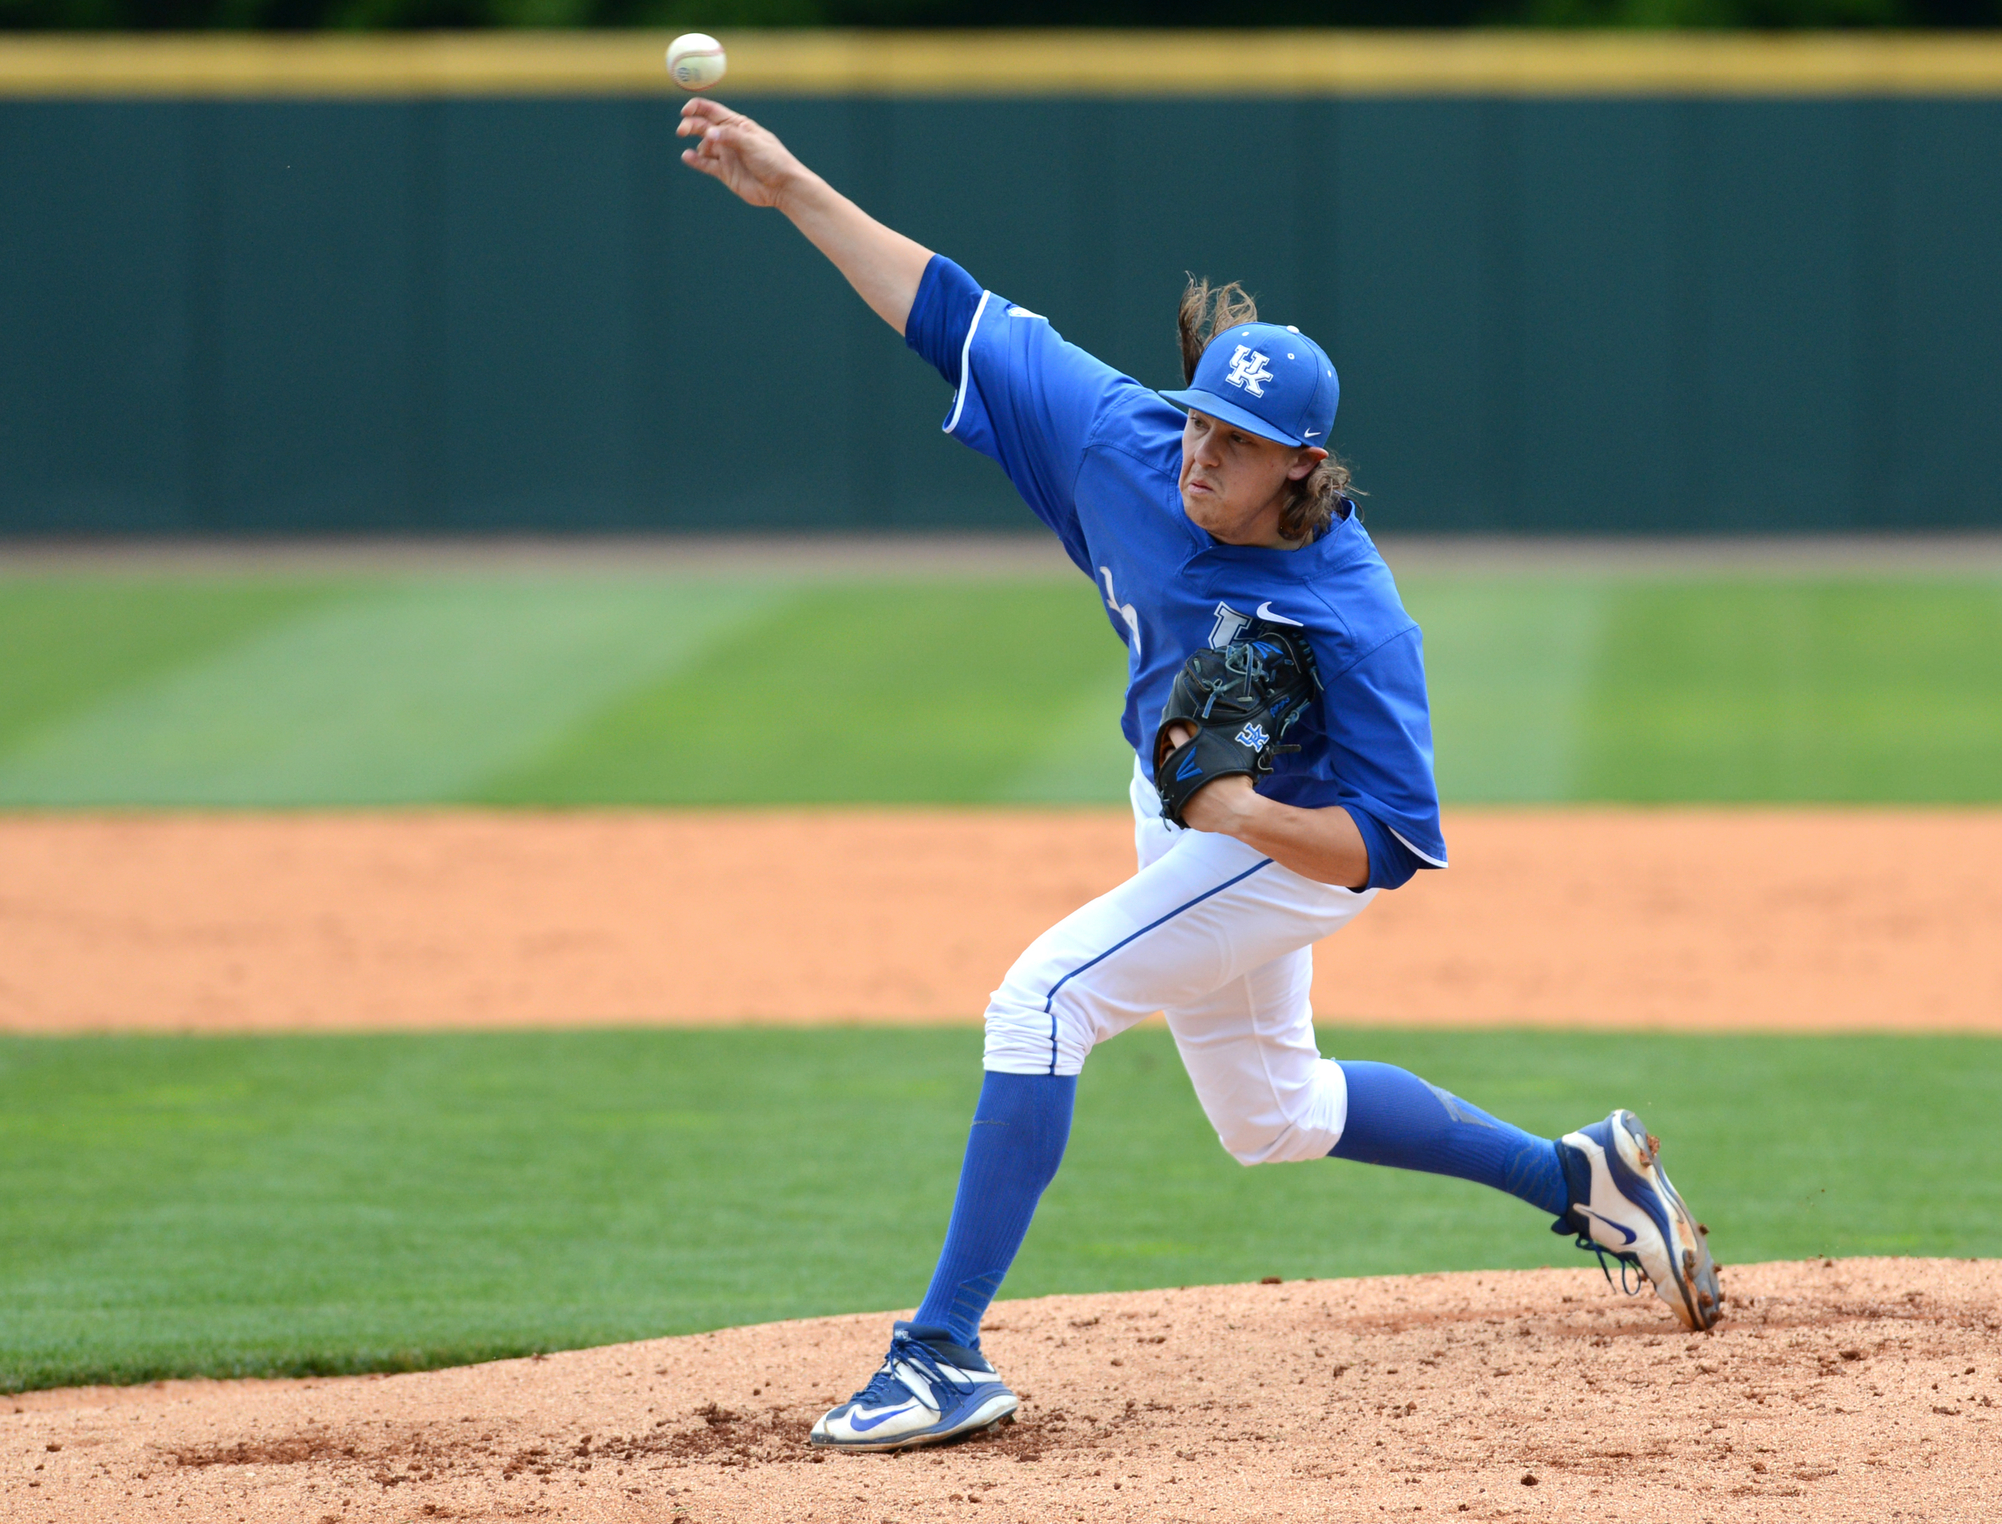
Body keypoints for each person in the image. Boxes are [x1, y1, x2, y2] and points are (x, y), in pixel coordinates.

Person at [674, 96, 1723, 1454]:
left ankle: (940, 1352)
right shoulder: (1122, 439)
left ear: (1301, 467)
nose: (1197, 456)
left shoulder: (1353, 614)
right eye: (1197, 423)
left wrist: (1239, 813)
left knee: (1041, 999)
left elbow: (1393, 844)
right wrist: (791, 185)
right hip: (1186, 805)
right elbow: (949, 311)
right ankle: (1581, 1176)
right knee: (1270, 1116)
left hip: (1292, 845)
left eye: (1230, 444)